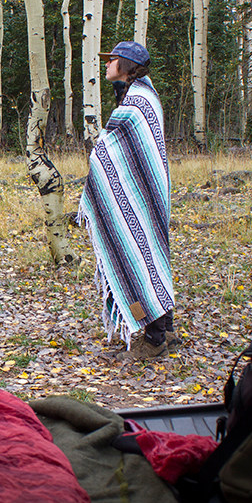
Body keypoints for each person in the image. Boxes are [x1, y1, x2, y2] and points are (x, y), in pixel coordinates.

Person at [78, 41, 176, 359]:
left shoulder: (136, 102)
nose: (107, 64)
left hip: (142, 194)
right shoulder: (140, 94)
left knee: (143, 254)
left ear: (126, 65)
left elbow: (109, 150)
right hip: (146, 192)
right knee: (150, 254)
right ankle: (165, 330)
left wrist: (98, 160)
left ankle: (155, 340)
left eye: (112, 60)